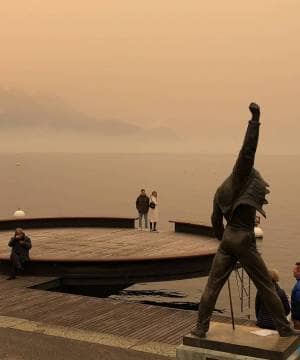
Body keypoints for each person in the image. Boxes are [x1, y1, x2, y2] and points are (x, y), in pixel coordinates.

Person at [191, 102, 300, 338]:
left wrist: (224, 240)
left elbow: (215, 221)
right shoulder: (242, 174)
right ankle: (284, 327)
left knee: (212, 286)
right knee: (265, 284)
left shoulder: (220, 191)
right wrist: (255, 119)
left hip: (228, 239)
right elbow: (248, 150)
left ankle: (201, 328)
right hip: (244, 238)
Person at [291, 262, 300, 329]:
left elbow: (298, 303)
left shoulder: (299, 286)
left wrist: (296, 319)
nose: (293, 271)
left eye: (294, 269)